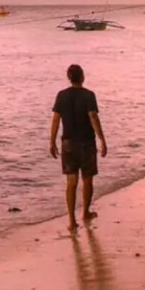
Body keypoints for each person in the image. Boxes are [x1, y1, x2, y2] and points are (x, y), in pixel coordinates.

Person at [50, 63, 107, 231]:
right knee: (87, 180)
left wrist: (52, 141)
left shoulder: (61, 95)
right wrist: (102, 139)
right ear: (82, 77)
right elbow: (93, 117)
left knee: (71, 182)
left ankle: (71, 220)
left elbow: (55, 119)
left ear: (69, 77)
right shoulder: (89, 95)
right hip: (86, 142)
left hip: (68, 143)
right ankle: (86, 212)